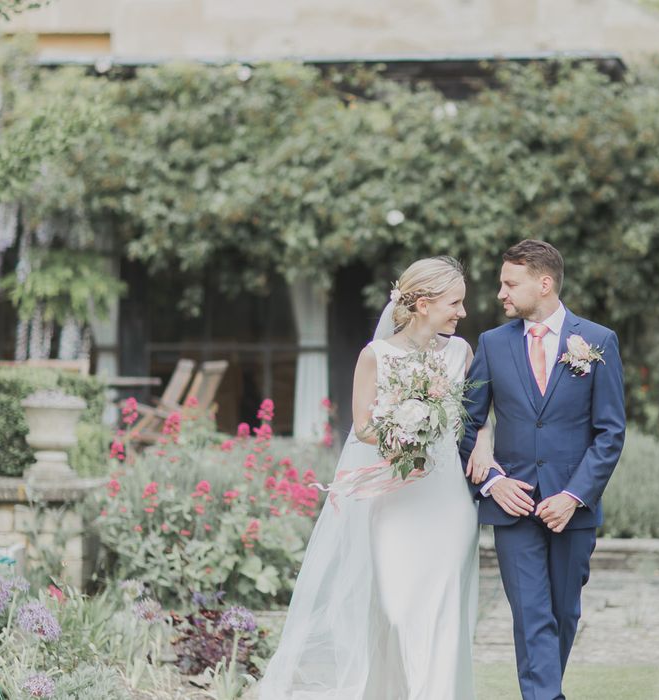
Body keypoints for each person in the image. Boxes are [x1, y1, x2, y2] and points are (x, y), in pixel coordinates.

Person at [260, 256, 488, 700]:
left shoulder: (461, 352)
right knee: (399, 610)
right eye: (454, 303)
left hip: (448, 503)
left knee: (444, 613)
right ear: (423, 304)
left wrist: (483, 445)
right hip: (397, 499)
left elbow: (477, 419)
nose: (462, 312)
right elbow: (362, 426)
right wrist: (399, 433)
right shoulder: (376, 355)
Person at [461, 239, 626, 700]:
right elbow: (466, 425)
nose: (501, 294)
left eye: (510, 283)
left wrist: (574, 496)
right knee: (531, 614)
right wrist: (493, 481)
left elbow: (610, 432)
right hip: (513, 509)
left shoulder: (597, 341)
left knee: (563, 614)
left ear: (544, 283)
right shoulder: (492, 345)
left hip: (572, 506)